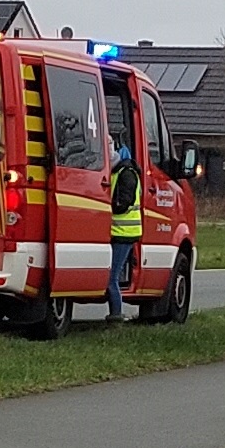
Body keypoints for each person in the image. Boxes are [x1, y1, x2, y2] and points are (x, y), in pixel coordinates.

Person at [104, 128, 143, 322]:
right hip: (117, 231)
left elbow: (123, 203)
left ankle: (116, 316)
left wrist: (106, 208)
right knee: (111, 277)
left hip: (124, 233)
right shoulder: (119, 172)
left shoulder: (126, 174)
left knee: (112, 279)